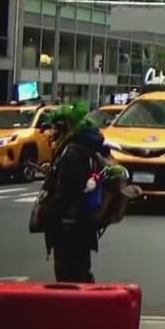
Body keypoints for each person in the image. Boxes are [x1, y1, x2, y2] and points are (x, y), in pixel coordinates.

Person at [41, 103, 111, 282]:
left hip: (69, 228)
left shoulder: (71, 153)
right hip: (80, 225)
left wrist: (50, 209)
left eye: (55, 127)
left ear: (64, 127)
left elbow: (68, 192)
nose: (52, 133)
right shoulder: (80, 149)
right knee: (80, 272)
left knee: (70, 276)